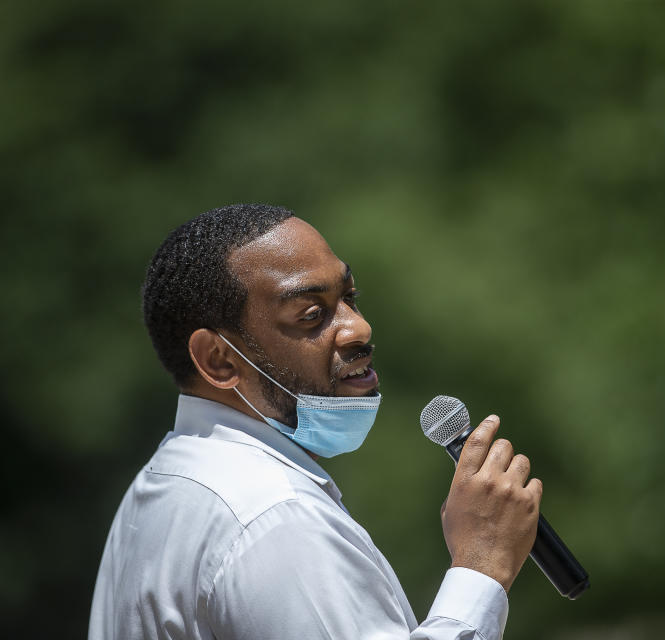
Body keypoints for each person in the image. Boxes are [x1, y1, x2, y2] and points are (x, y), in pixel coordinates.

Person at [89, 203, 543, 639]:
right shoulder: (273, 517)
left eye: (349, 297)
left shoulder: (161, 486)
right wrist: (481, 567)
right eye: (312, 315)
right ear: (220, 360)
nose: (358, 328)